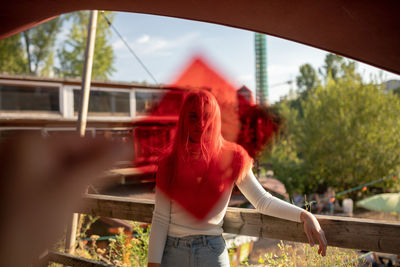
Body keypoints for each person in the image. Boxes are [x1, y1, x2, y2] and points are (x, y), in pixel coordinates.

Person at [147, 90, 327, 267]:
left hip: (211, 253)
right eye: (193, 116)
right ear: (184, 119)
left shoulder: (233, 157)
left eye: (207, 116)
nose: (201, 124)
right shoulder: (169, 163)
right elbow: (161, 218)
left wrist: (304, 215)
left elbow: (262, 201)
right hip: (173, 254)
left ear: (215, 119)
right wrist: (153, 263)